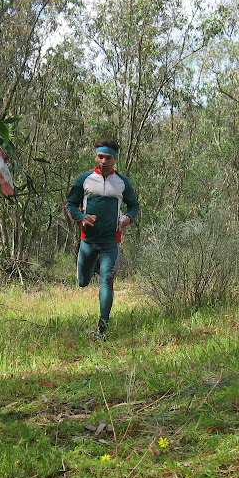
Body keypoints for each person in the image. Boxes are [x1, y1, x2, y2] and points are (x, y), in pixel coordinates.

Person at [65, 139, 140, 340]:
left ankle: (103, 327)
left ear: (115, 159)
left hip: (110, 240)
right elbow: (70, 205)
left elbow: (134, 206)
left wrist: (127, 219)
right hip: (88, 240)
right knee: (82, 282)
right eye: (100, 156)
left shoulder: (122, 182)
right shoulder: (85, 179)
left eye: (108, 157)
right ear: (96, 157)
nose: (104, 161)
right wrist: (82, 217)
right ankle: (94, 266)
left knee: (107, 279)